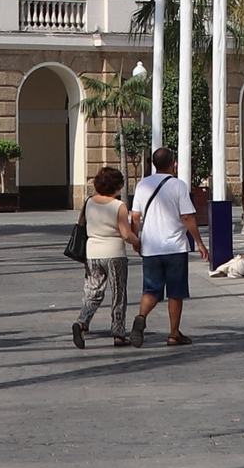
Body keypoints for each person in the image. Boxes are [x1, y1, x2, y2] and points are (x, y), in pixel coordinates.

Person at [129, 143, 206, 347]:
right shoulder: (178, 185)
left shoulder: (142, 185)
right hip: (175, 247)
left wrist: (136, 239)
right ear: (174, 164)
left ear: (154, 165)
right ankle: (173, 333)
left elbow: (135, 217)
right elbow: (187, 217)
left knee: (151, 290)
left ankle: (141, 316)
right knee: (175, 292)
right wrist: (199, 242)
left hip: (151, 246)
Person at [72, 164, 133, 347]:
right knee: (118, 294)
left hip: (93, 253)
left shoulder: (89, 202)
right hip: (115, 253)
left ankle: (82, 322)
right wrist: (139, 242)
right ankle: (118, 332)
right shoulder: (119, 206)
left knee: (93, 291)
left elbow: (81, 224)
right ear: (117, 186)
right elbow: (126, 234)